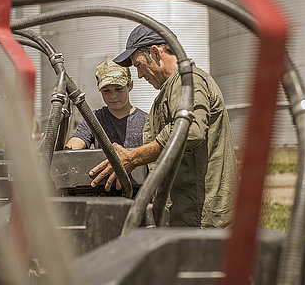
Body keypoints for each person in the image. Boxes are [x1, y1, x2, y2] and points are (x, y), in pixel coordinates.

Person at [89, 25, 239, 227]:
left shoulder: (190, 81)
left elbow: (190, 130)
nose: (140, 75)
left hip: (204, 219)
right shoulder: (171, 89)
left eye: (139, 65)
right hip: (188, 214)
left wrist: (133, 158)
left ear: (154, 53)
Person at [65, 57, 148, 150]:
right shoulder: (95, 119)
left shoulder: (146, 121)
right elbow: (73, 147)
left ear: (130, 85)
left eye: (118, 89)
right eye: (106, 91)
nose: (113, 96)